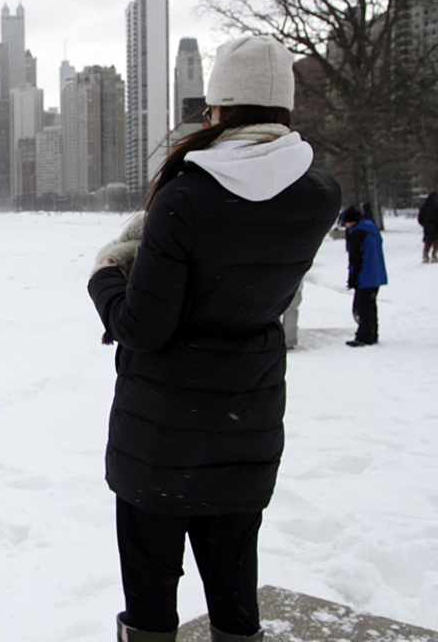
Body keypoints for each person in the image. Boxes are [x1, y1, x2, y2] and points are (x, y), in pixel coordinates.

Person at [87, 36, 341, 642]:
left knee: (150, 601)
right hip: (244, 422)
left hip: (161, 436)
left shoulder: (186, 198)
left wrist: (106, 274)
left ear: (220, 109)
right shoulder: (318, 194)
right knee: (233, 592)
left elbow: (142, 328)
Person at [342, 205, 387, 346]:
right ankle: (373, 333)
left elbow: (355, 259)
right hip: (376, 274)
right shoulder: (370, 229)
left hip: (365, 275)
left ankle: (364, 336)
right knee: (371, 305)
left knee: (362, 307)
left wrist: (353, 277)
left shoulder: (357, 234)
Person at [419, 193, 438, 263]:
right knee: (436, 242)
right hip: (436, 227)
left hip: (427, 227)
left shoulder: (424, 206)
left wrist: (425, 224)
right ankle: (434, 256)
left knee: (427, 242)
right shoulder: (436, 206)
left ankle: (425, 256)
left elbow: (420, 218)